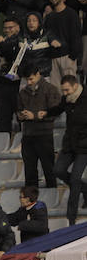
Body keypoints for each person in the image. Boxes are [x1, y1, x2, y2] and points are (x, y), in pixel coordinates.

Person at [50, 75, 87, 225]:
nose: (64, 93)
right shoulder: (67, 99)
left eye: (67, 90)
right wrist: (45, 112)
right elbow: (58, 109)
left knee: (75, 179)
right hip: (69, 144)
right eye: (63, 90)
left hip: (84, 146)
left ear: (75, 86)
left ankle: (71, 217)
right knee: (58, 170)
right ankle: (85, 189)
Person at [18, 65, 61, 191]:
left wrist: (35, 116)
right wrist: (21, 115)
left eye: (31, 79)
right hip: (28, 135)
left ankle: (53, 196)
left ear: (38, 74)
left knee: (49, 169)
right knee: (29, 171)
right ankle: (31, 199)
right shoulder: (23, 92)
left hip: (44, 134)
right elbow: (18, 109)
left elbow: (55, 112)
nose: (29, 82)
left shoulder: (50, 89)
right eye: (27, 80)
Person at [44, 0, 82, 86]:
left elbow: (76, 37)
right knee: (56, 92)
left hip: (67, 57)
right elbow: (46, 34)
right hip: (53, 58)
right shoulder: (49, 17)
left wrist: (72, 58)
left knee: (70, 89)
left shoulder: (71, 14)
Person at [0, 18, 23, 134]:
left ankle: (21, 145)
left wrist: (0, 45)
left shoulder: (21, 41)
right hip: (2, 83)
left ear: (17, 28)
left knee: (20, 115)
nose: (7, 30)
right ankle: (4, 144)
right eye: (5, 28)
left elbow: (11, 54)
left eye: (11, 27)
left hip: (16, 84)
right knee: (4, 118)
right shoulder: (3, 41)